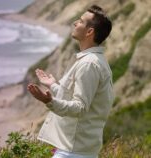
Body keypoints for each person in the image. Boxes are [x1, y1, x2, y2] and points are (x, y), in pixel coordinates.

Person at [27, 5, 114, 158]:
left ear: (89, 31)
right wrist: (53, 86)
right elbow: (79, 96)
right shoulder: (92, 61)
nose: (75, 23)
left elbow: (80, 107)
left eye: (80, 21)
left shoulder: (89, 64)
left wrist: (50, 101)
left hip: (74, 151)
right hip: (75, 149)